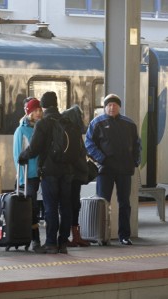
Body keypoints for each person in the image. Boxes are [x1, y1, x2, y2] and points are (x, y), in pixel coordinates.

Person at [18, 91, 72, 254]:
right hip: (67, 171)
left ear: (44, 105)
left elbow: (34, 149)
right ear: (56, 103)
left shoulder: (43, 124)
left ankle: (50, 243)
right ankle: (63, 242)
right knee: (66, 208)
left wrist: (23, 156)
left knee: (50, 207)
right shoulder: (68, 122)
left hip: (49, 171)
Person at [85, 94, 141, 246]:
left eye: (114, 105)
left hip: (124, 170)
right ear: (104, 107)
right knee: (103, 202)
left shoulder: (129, 123)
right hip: (105, 170)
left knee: (124, 203)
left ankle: (124, 235)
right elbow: (89, 143)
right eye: (108, 105)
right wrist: (101, 159)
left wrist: (135, 161)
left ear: (119, 107)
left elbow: (137, 144)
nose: (112, 107)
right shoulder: (97, 123)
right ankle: (101, 235)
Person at [12, 97, 43, 250]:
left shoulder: (42, 127)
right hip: (29, 175)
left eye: (40, 110)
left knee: (36, 207)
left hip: (40, 174)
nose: (38, 113)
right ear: (29, 112)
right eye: (35, 110)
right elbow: (18, 154)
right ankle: (35, 240)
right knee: (32, 207)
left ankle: (34, 239)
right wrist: (21, 176)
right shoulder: (21, 130)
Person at [60, 104, 91, 247]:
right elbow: (77, 155)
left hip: (71, 175)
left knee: (71, 205)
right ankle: (71, 236)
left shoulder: (68, 130)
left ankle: (73, 235)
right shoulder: (72, 131)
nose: (81, 119)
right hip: (73, 175)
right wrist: (84, 168)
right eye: (79, 116)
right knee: (72, 205)